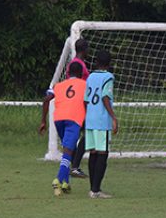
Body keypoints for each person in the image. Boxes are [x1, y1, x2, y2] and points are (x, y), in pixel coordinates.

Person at [39, 61, 87, 196]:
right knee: (68, 151)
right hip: (73, 119)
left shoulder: (58, 85)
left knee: (70, 150)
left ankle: (66, 183)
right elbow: (86, 102)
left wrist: (43, 121)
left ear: (68, 73)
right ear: (81, 74)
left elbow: (46, 99)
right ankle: (58, 179)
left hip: (58, 119)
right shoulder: (84, 84)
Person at [83, 49, 118, 199]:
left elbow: (85, 100)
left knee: (93, 153)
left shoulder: (90, 76)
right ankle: (96, 190)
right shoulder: (108, 77)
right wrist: (114, 117)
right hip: (102, 120)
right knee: (103, 154)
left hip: (90, 120)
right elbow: (105, 97)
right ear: (109, 64)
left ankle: (93, 188)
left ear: (96, 62)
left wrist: (89, 114)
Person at [70, 39, 90, 179]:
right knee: (87, 133)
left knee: (78, 134)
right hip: (79, 104)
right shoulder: (78, 64)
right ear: (84, 49)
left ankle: (73, 165)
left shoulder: (75, 63)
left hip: (77, 103)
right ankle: (75, 166)